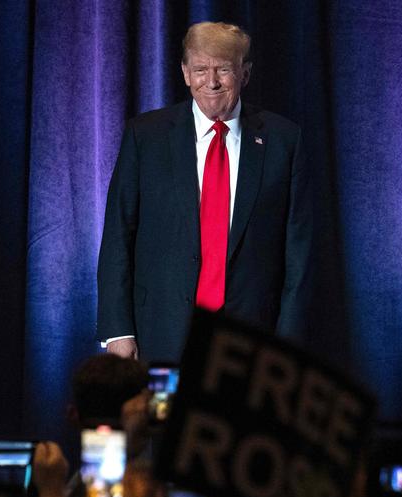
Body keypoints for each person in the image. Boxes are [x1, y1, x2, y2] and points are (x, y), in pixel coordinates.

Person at [97, 21, 314, 362]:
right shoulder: (146, 137)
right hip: (162, 337)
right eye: (200, 69)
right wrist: (118, 329)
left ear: (244, 73)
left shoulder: (284, 141)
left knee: (233, 419)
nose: (210, 82)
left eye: (223, 70)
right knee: (163, 417)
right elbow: (117, 236)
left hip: (250, 346)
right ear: (185, 73)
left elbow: (299, 254)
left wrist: (287, 344)